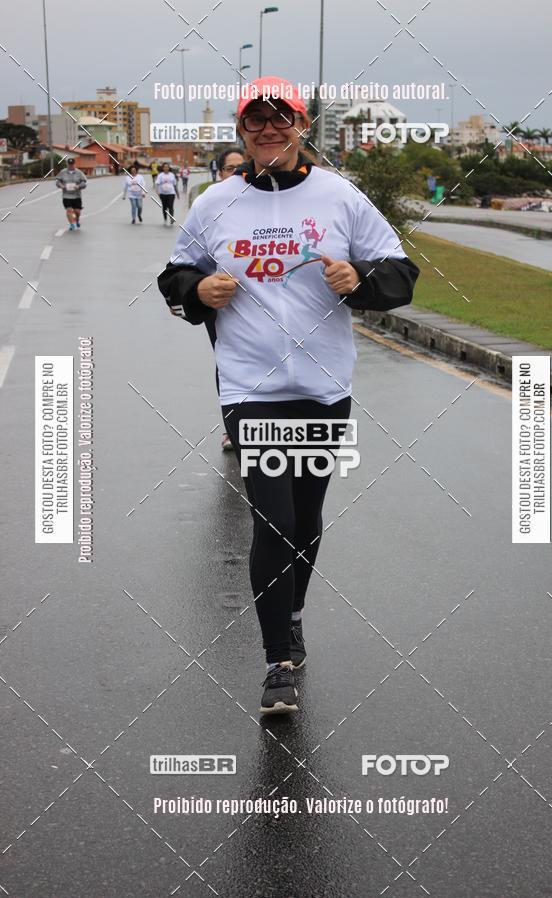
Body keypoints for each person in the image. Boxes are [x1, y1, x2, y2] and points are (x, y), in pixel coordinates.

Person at [158, 76, 419, 715]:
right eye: (256, 122)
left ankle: (292, 610)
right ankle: (279, 658)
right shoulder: (215, 202)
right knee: (273, 520)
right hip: (251, 386)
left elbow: (401, 274)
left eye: (281, 120)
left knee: (303, 520)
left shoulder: (341, 197)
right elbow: (173, 275)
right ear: (241, 131)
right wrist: (196, 292)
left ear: (302, 126)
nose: (268, 130)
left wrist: (359, 279)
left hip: (325, 388)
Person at [205, 148, 246, 452]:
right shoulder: (210, 203)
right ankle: (232, 427)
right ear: (219, 173)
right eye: (228, 168)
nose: (234, 173)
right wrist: (200, 287)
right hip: (219, 303)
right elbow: (188, 262)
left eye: (239, 167)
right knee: (229, 361)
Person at [56, 157, 87, 230]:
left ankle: (77, 220)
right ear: (67, 164)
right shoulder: (63, 172)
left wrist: (78, 186)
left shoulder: (79, 173)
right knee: (69, 210)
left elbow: (84, 183)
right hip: (66, 195)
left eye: (72, 164)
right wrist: (62, 186)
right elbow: (57, 182)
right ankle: (72, 224)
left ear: (74, 164)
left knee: (77, 212)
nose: (71, 166)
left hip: (76, 195)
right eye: (69, 164)